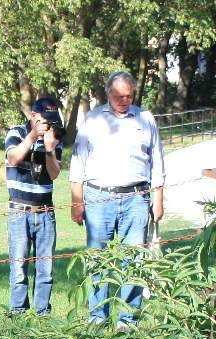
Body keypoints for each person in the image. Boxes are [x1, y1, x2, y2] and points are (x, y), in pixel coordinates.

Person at [69, 71, 165, 325]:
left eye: (128, 96)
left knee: (133, 261)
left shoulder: (145, 119)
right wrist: (77, 202)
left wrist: (158, 199)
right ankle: (97, 318)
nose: (124, 100)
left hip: (137, 198)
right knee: (98, 260)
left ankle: (127, 322)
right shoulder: (93, 120)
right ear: (108, 93)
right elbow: (78, 162)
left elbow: (157, 162)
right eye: (118, 96)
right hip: (99, 198)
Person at [4, 95, 63, 315]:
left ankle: (42, 315)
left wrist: (49, 149)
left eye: (51, 119)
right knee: (19, 267)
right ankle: (18, 313)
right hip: (20, 209)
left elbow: (55, 173)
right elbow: (13, 158)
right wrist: (32, 136)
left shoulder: (55, 135)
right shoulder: (17, 132)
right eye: (44, 119)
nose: (48, 123)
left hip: (46, 211)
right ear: (34, 116)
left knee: (45, 269)